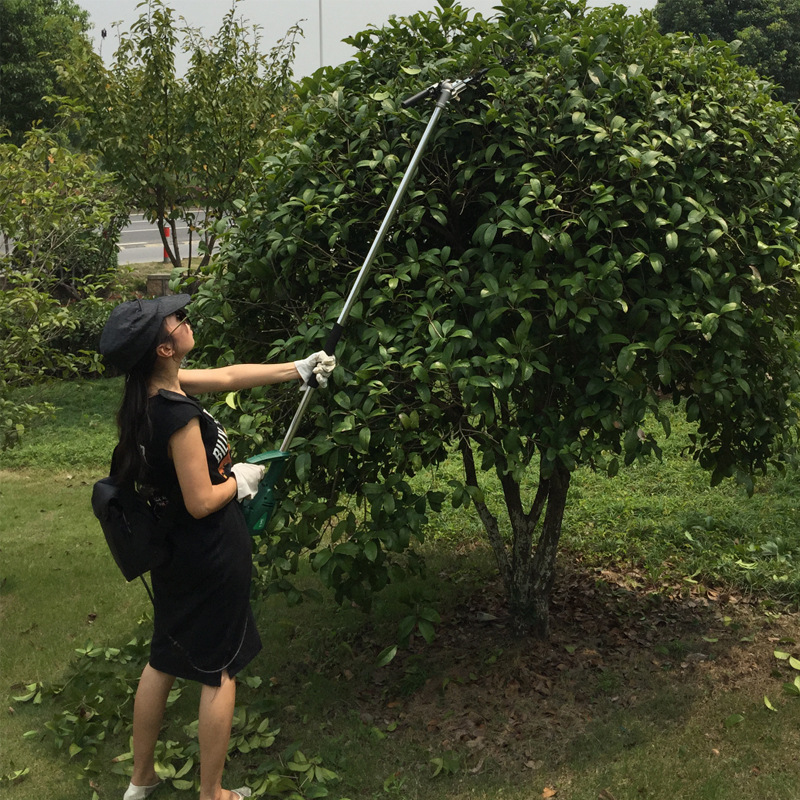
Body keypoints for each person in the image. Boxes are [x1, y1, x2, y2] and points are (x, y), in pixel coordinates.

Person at [98, 294, 335, 800]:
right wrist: (244, 478)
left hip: (172, 552)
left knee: (164, 656)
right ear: (163, 348)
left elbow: (227, 376)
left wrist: (296, 369)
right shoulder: (178, 417)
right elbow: (202, 499)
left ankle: (140, 782)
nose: (185, 321)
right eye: (176, 320)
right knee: (219, 669)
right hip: (208, 554)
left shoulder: (148, 395)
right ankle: (214, 794)